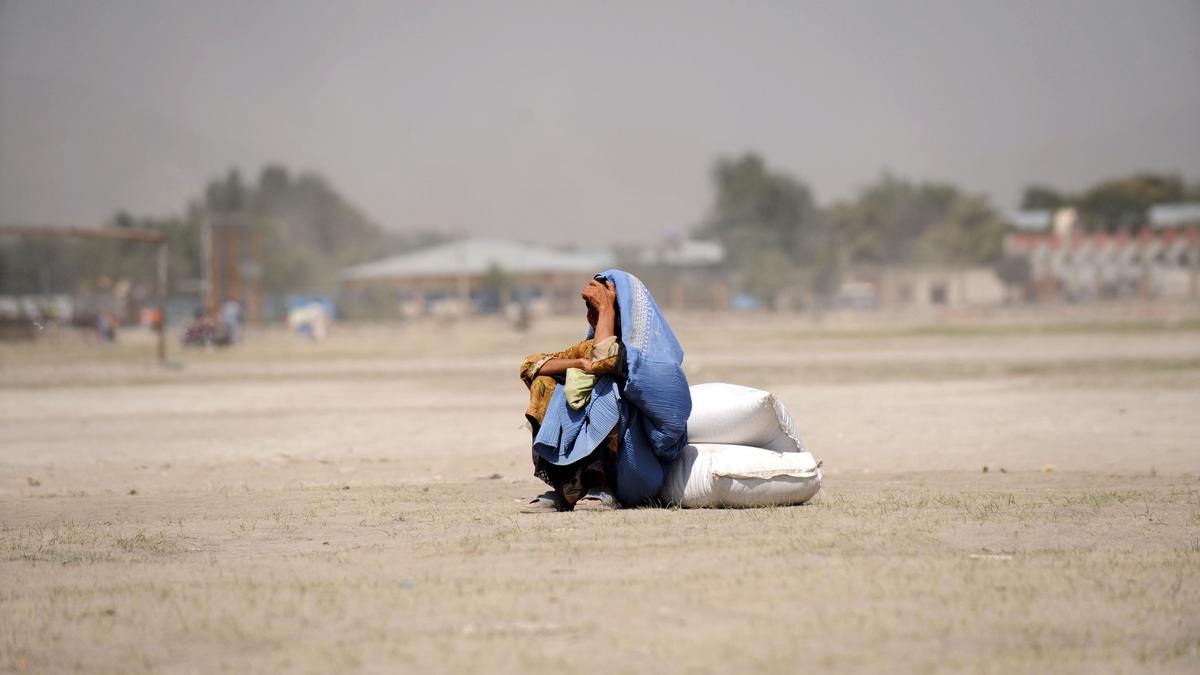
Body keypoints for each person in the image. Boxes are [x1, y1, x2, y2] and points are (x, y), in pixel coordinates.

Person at [519, 270, 692, 512]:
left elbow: (605, 361)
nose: (592, 315)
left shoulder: (652, 360)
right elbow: (529, 365)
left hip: (637, 468)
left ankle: (602, 486)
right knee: (545, 382)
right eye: (590, 308)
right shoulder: (588, 349)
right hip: (593, 467)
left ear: (623, 310)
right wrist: (579, 364)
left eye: (599, 307)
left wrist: (606, 308)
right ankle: (568, 487)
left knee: (606, 387)